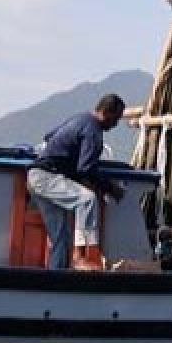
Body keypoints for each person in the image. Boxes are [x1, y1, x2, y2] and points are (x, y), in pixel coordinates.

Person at [27, 93, 126, 271]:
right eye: (116, 119)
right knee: (87, 200)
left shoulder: (79, 119)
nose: (116, 124)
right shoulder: (94, 131)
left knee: (61, 237)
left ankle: (56, 279)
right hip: (48, 177)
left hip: (36, 177)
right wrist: (110, 188)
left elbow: (49, 136)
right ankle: (80, 257)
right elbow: (85, 169)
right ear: (107, 113)